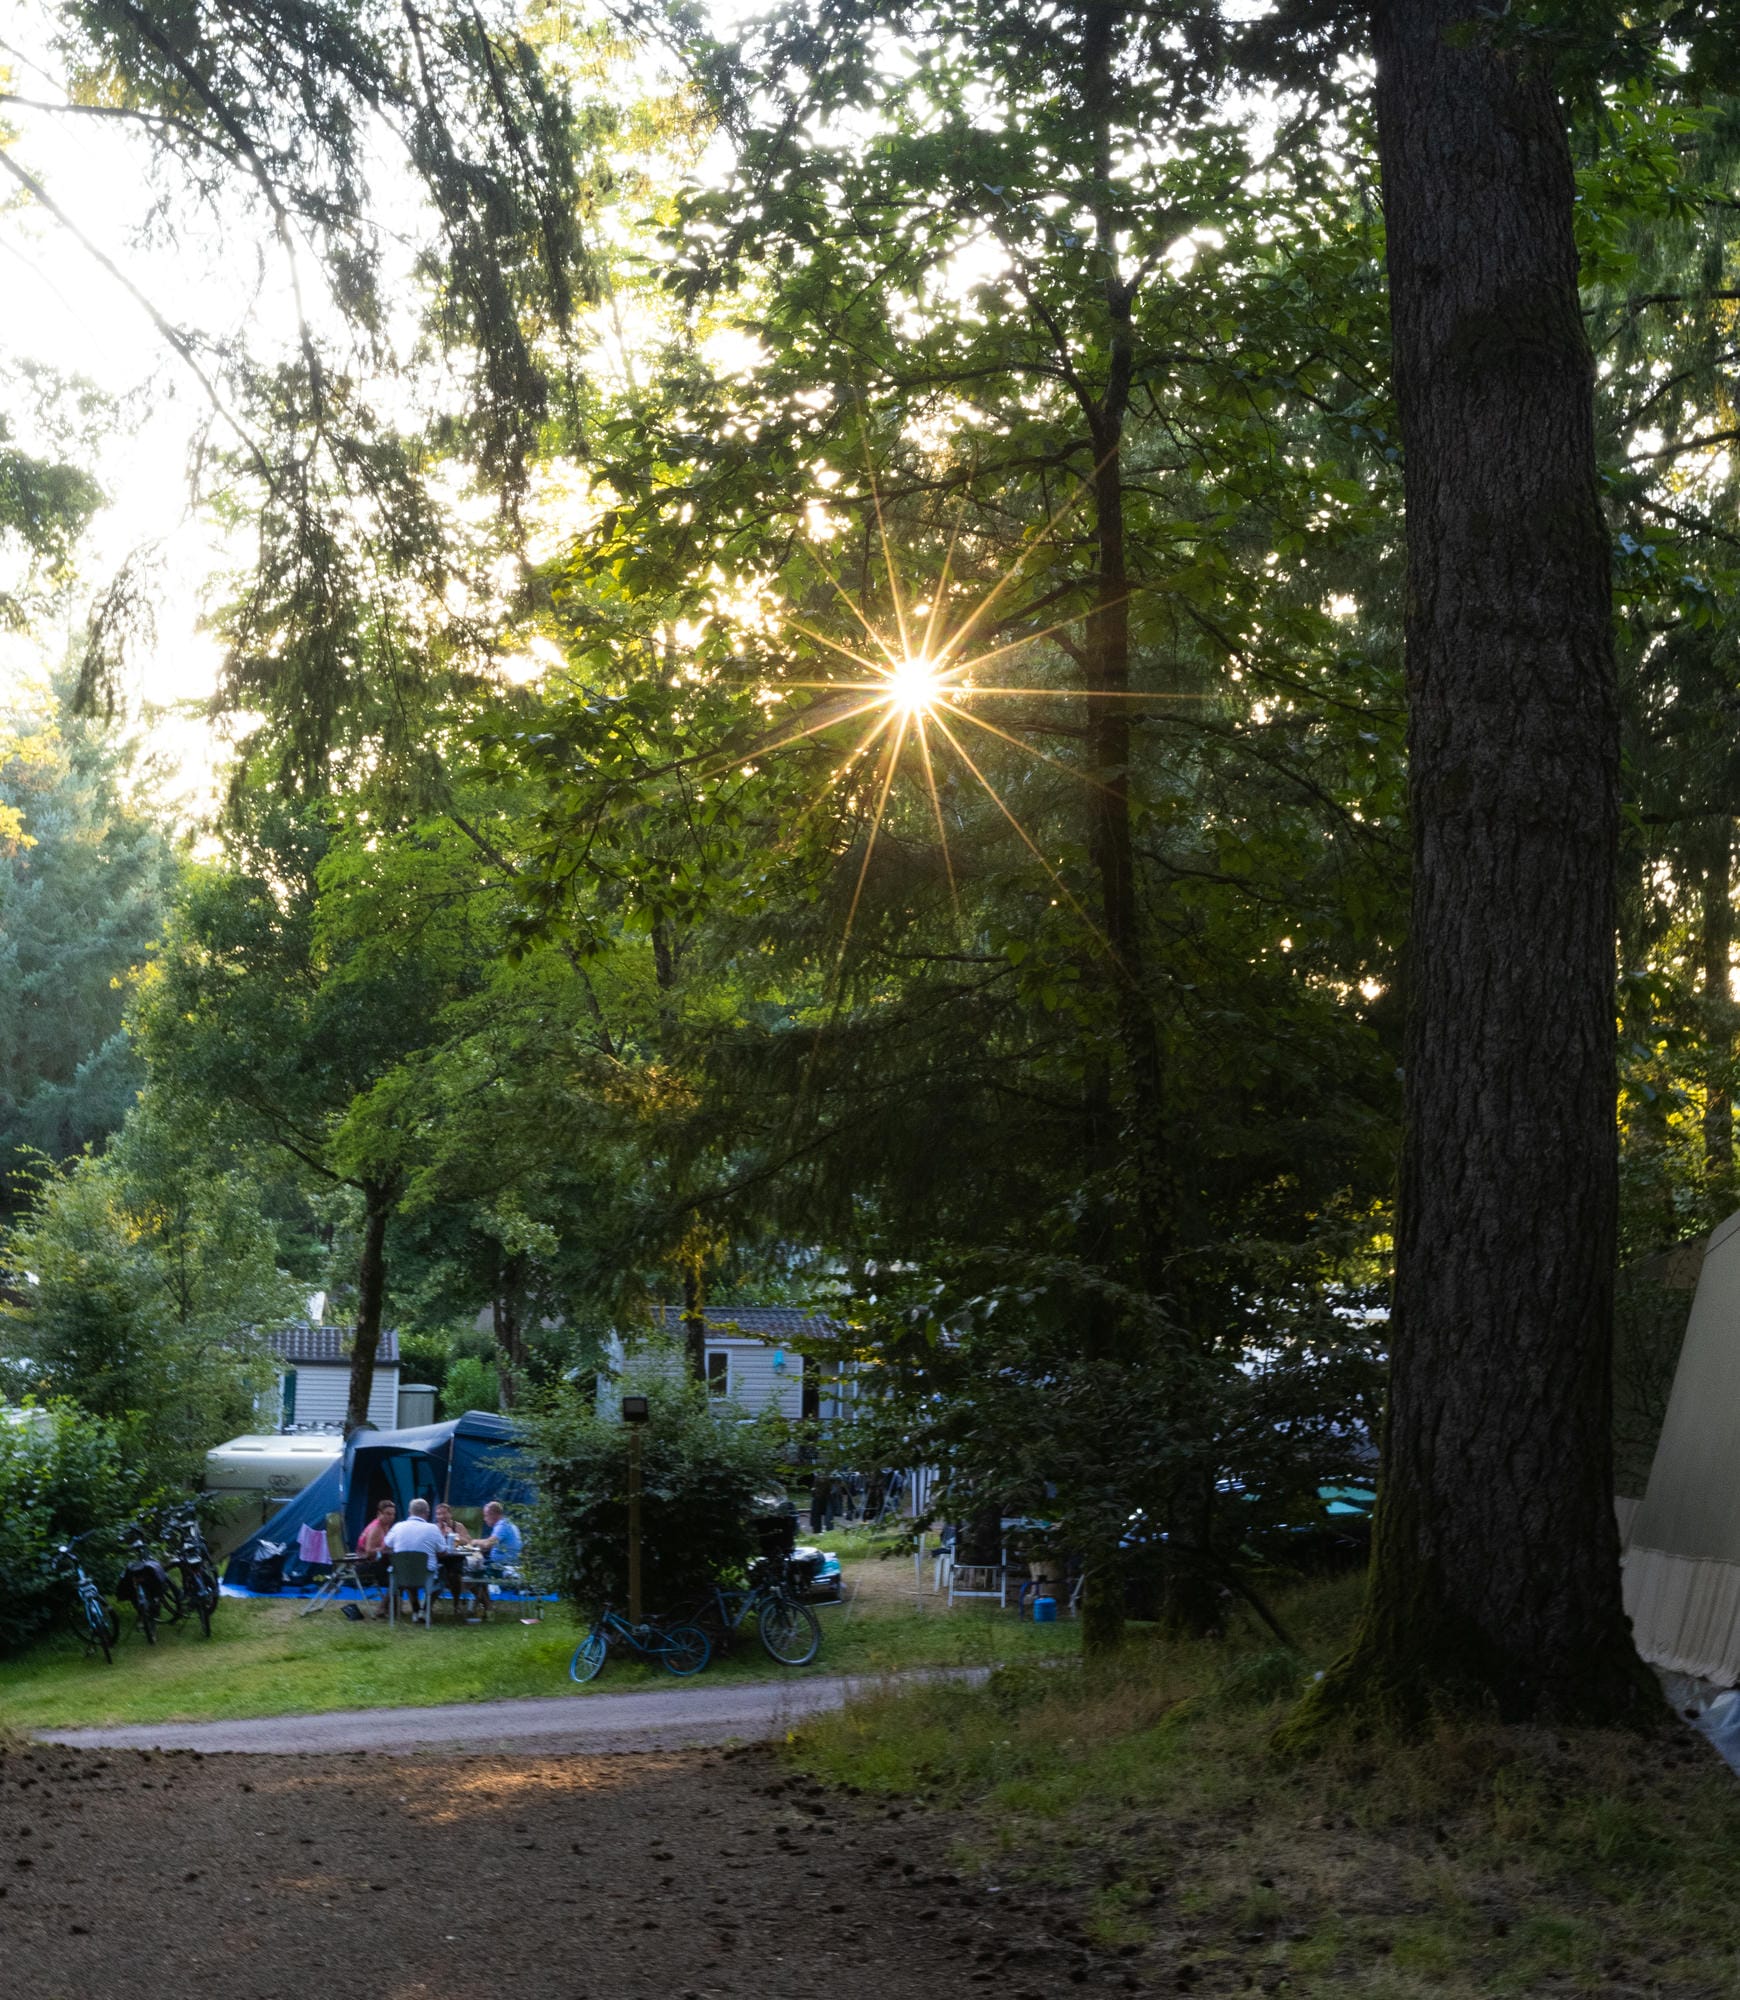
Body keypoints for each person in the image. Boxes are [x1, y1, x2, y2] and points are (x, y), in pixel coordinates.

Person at [383, 1498, 446, 1619]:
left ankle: (416, 1610)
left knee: (409, 1573)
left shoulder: (397, 1527)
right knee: (443, 1577)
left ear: (409, 1512)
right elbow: (443, 1551)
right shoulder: (433, 1529)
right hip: (426, 1573)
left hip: (402, 1574)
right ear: (427, 1513)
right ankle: (426, 1609)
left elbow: (386, 1546)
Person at [473, 1500, 522, 1565]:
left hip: (502, 1566)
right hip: (509, 1562)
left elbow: (488, 1544)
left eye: (486, 1515)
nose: (484, 1519)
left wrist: (474, 1541)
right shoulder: (509, 1523)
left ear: (493, 1514)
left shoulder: (502, 1526)